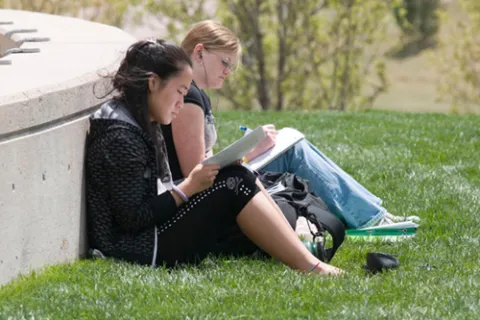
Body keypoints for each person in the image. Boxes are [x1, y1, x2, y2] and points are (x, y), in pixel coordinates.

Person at [85, 39, 342, 276]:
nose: (181, 103)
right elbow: (132, 219)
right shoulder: (120, 137)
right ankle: (312, 267)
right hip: (138, 247)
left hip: (149, 234)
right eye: (179, 92)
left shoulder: (136, 119)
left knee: (239, 175)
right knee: (235, 185)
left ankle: (306, 257)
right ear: (153, 83)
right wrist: (188, 187)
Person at [161, 20, 420, 229]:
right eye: (225, 62)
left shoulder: (193, 94)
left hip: (209, 186)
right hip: (199, 197)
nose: (228, 72)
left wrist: (247, 151)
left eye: (232, 66)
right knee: (293, 150)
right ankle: (370, 217)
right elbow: (196, 172)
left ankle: (372, 212)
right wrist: (249, 152)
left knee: (291, 138)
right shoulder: (189, 97)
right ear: (199, 52)